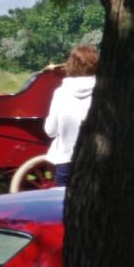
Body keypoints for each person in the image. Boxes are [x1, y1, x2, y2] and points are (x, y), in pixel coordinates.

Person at [44, 44, 99, 186]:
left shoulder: (61, 93)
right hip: (94, 160)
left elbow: (50, 131)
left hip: (66, 160)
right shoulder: (102, 93)